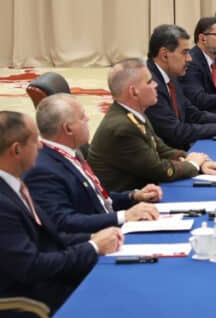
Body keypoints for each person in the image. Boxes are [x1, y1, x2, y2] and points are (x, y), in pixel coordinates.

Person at [0, 111, 122, 314]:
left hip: (53, 280)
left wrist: (94, 238)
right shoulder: (3, 204)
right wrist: (92, 247)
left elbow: (51, 237)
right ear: (16, 150)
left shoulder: (15, 184)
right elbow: (31, 266)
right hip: (30, 304)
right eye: (34, 140)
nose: (40, 146)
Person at [24, 94, 161, 233]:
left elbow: (95, 200)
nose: (88, 119)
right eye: (82, 117)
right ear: (68, 129)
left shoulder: (71, 152)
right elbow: (63, 221)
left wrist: (133, 196)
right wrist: (124, 216)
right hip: (94, 242)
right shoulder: (43, 170)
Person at [89, 59, 216, 192]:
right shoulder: (122, 127)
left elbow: (161, 150)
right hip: (130, 204)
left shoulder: (134, 114)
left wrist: (198, 161)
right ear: (133, 91)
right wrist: (192, 165)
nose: (156, 85)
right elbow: (158, 170)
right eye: (149, 82)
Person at [145, 24, 216, 150]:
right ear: (164, 55)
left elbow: (192, 114)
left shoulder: (170, 75)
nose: (189, 58)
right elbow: (175, 131)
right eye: (184, 53)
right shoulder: (149, 84)